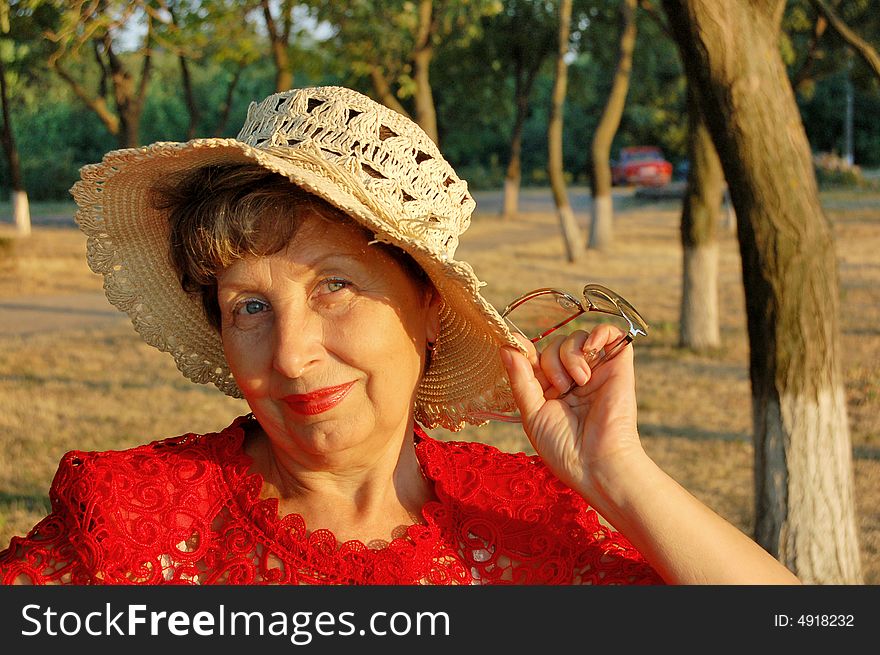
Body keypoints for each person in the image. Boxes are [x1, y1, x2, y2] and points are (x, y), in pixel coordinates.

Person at [0, 86, 798, 585]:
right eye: (248, 305)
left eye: (334, 286)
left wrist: (618, 474)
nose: (289, 353)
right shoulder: (135, 526)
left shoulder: (534, 528)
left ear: (428, 308)